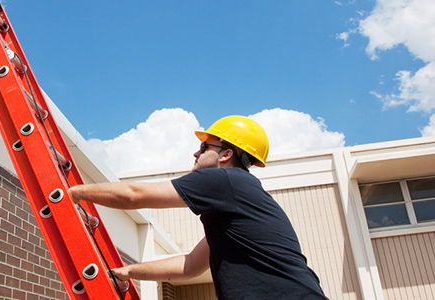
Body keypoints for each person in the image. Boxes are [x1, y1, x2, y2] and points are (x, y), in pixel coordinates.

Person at [69, 115, 328, 299]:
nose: (196, 153)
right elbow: (191, 264)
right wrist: (130, 271)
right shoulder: (237, 203)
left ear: (225, 155)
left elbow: (133, 195)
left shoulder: (225, 180)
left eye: (204, 147)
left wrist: (74, 192)